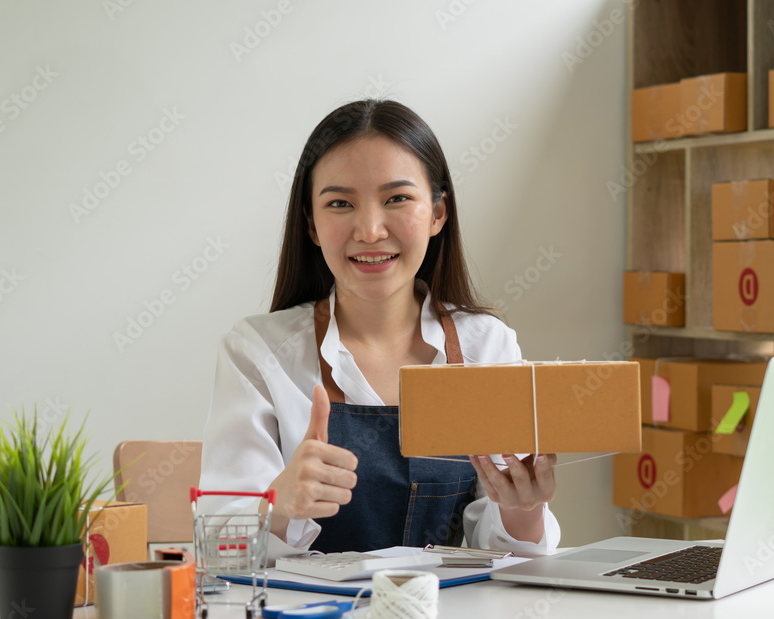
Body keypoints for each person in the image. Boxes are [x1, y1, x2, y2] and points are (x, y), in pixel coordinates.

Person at [200, 99, 560, 558]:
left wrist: (524, 509)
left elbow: (515, 565)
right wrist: (280, 505)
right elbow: (216, 551)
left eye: (397, 199)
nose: (369, 230)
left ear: (437, 213)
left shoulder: (487, 346)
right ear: (311, 224)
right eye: (339, 203)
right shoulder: (257, 354)